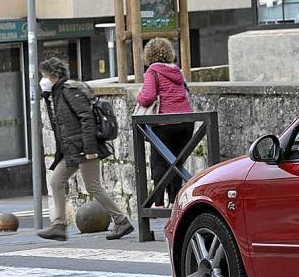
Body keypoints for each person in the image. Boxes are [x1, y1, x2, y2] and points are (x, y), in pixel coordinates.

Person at [37, 57, 134, 241]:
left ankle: (121, 221)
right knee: (57, 181)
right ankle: (59, 225)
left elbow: (87, 118)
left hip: (84, 148)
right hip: (72, 149)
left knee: (93, 186)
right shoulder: (56, 93)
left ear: (55, 76)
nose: (43, 80)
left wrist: (90, 148)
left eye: (45, 75)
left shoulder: (69, 91)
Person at [136, 37, 194, 208]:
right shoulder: (177, 71)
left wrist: (136, 96)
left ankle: (158, 203)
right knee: (177, 162)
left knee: (159, 162)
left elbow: (147, 98)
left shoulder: (152, 71)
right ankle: (174, 202)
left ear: (149, 55)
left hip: (164, 122)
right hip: (186, 122)